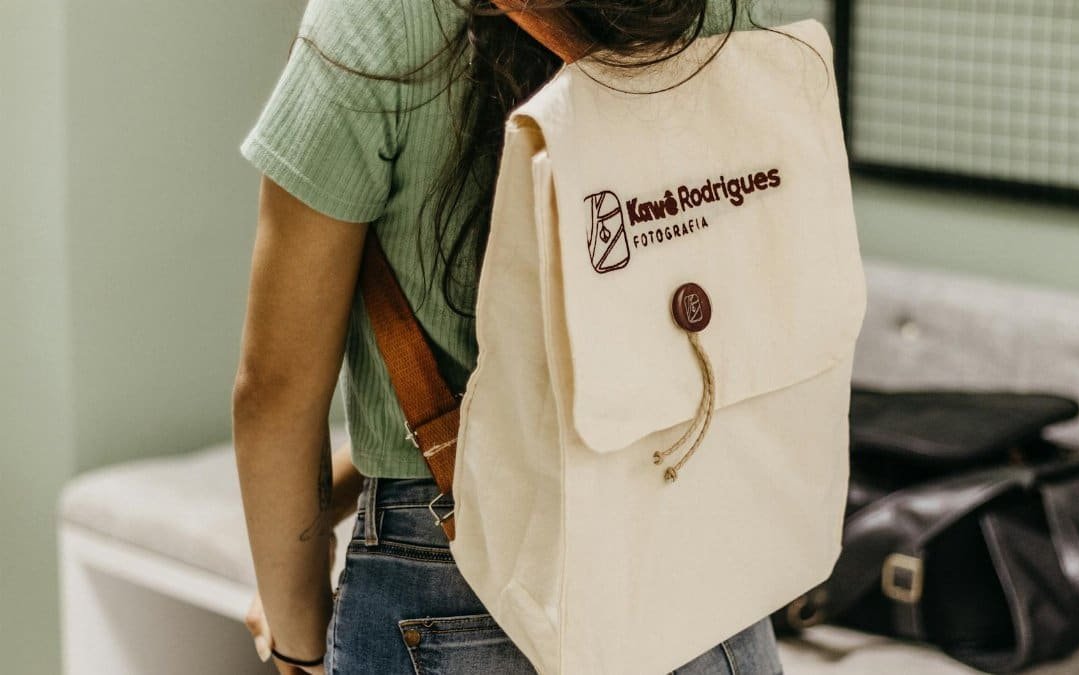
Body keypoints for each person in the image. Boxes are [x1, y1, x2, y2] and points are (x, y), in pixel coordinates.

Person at [231, 1, 789, 673]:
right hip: (693, 541)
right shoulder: (715, 9)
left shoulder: (378, 19)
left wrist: (297, 637)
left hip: (451, 558)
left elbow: (276, 392)